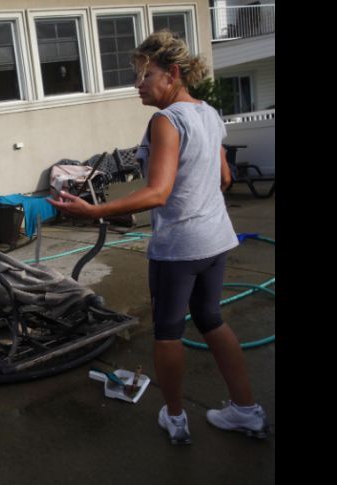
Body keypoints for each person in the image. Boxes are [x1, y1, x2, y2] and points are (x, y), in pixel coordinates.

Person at [48, 31, 268, 445]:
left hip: (180, 249)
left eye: (146, 75)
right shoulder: (208, 112)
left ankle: (176, 418)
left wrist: (93, 210)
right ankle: (246, 411)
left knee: (168, 332)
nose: (137, 84)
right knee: (212, 320)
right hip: (217, 240)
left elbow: (157, 193)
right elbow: (223, 177)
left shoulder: (166, 121)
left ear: (173, 74)